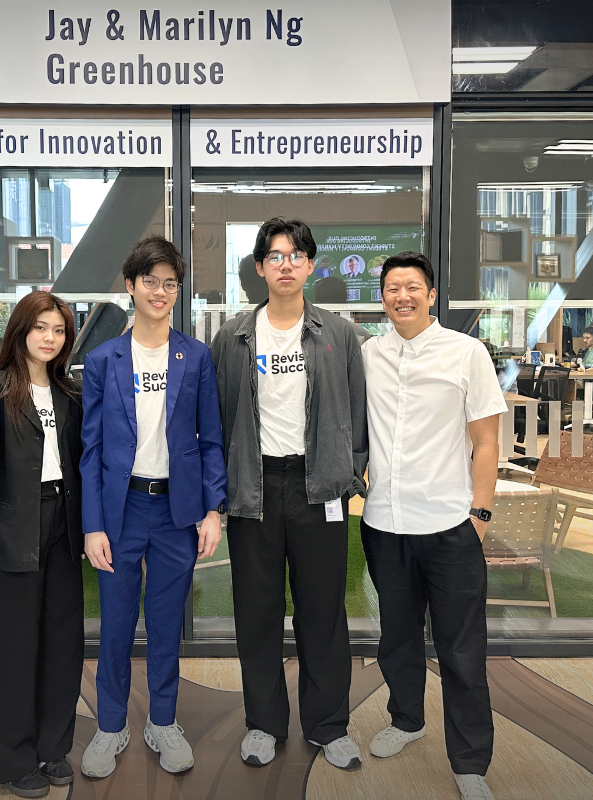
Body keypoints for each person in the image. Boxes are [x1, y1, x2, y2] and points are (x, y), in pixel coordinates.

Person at [210, 217, 368, 771]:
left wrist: (350, 475)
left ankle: (328, 725)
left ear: (310, 266)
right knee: (256, 612)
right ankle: (263, 724)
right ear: (260, 268)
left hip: (318, 487)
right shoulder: (232, 336)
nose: (286, 264)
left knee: (323, 611)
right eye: (275, 256)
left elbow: (357, 413)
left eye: (296, 255)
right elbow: (220, 417)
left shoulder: (338, 333)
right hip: (254, 488)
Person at [359, 252, 506, 800]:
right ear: (383, 297)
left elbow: (487, 442)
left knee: (461, 650)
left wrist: (480, 514)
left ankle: (470, 762)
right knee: (396, 639)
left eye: (413, 287)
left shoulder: (466, 353)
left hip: (449, 526)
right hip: (384, 523)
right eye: (393, 287)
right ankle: (406, 721)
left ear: (431, 295)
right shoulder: (368, 354)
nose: (403, 296)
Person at [79, 235, 227, 778]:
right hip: (120, 513)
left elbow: (211, 439)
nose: (160, 292)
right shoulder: (103, 360)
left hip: (176, 513)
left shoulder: (196, 356)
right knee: (116, 625)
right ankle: (111, 726)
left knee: (166, 625)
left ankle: (162, 722)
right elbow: (91, 451)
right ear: (130, 286)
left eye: (169, 283)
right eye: (150, 282)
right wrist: (93, 525)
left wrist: (213, 511)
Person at [0, 291, 85, 799]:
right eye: (41, 328)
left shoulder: (70, 394)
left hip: (63, 527)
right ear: (20, 331)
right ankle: (12, 761)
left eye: (58, 330)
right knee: (12, 650)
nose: (50, 338)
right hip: (13, 530)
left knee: (62, 644)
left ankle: (52, 748)